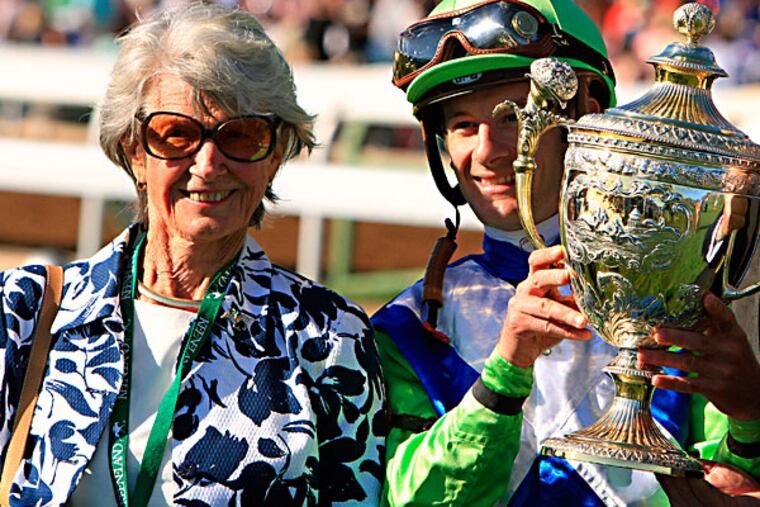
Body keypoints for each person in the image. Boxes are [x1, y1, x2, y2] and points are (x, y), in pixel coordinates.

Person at [371, 0, 760, 505]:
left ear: (587, 118)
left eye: (512, 118)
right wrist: (505, 373)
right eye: (463, 125)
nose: (487, 152)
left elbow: (732, 483)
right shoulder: (409, 327)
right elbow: (409, 498)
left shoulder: (688, 298)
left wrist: (750, 419)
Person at [0, 3, 385, 505]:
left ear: (275, 154)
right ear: (134, 151)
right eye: (176, 134)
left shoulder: (329, 337)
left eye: (241, 136)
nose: (207, 164)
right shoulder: (27, 312)